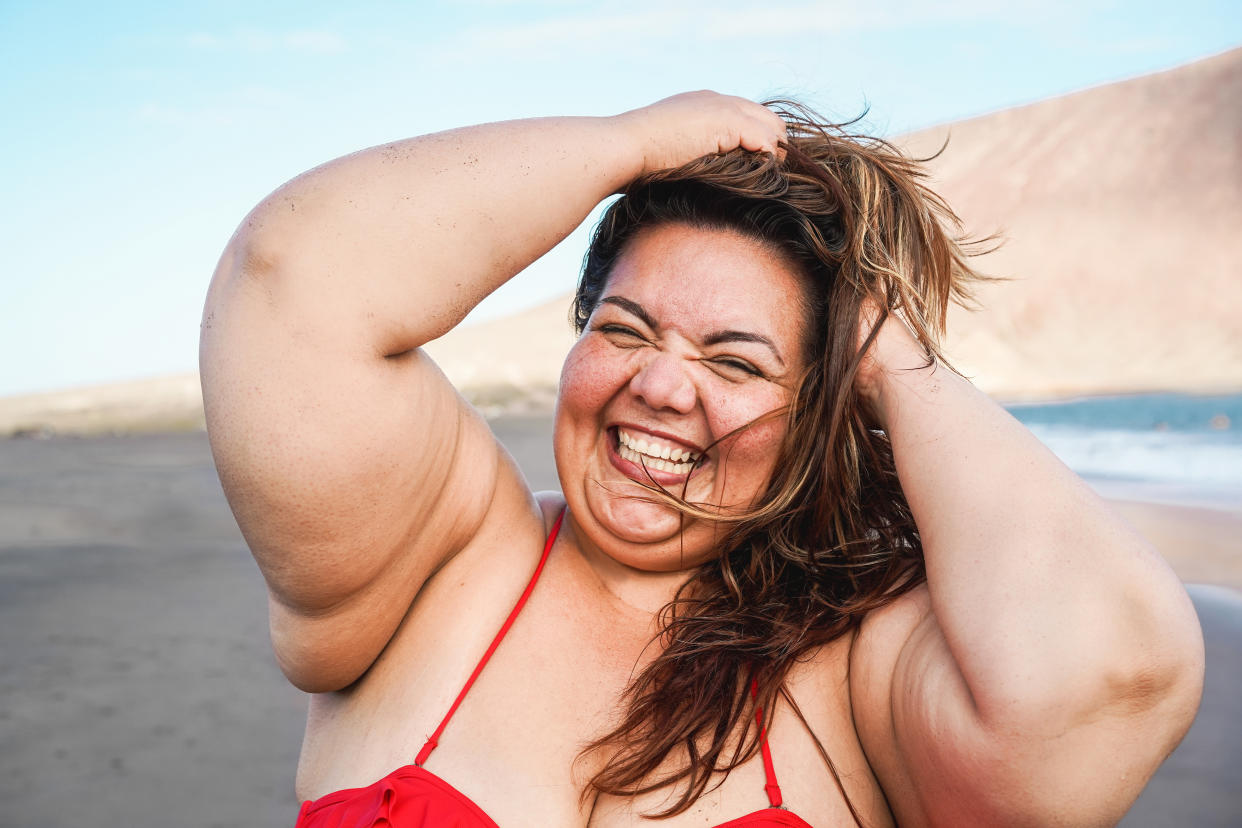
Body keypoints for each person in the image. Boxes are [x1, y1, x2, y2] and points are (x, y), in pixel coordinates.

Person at [199, 92, 1204, 826]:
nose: (664, 387)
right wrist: (626, 145)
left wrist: (887, 351)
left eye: (733, 360)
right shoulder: (436, 564)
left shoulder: (862, 671)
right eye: (627, 331)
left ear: (820, 407)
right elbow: (292, 280)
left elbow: (1113, 674)